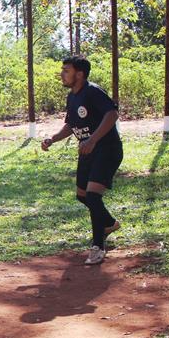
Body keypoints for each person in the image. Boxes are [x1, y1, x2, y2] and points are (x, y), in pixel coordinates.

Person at [41, 55, 123, 266]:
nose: (62, 74)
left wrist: (93, 140)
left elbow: (112, 114)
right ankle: (109, 224)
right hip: (87, 152)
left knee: (93, 196)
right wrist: (53, 138)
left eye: (66, 70)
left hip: (107, 149)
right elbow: (70, 125)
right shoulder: (72, 97)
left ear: (79, 74)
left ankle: (98, 246)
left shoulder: (92, 91)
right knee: (82, 196)